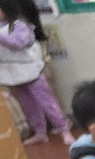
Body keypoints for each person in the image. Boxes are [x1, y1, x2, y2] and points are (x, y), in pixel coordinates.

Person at [0, 0, 72, 146]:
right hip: (14, 75)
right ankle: (40, 132)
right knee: (27, 105)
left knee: (47, 102)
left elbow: (18, 43)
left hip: (32, 72)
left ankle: (64, 130)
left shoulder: (20, 25)